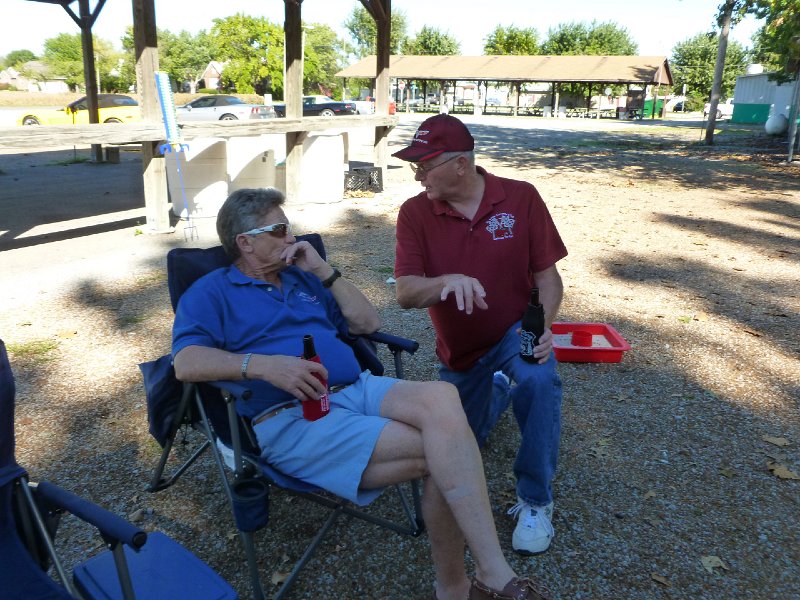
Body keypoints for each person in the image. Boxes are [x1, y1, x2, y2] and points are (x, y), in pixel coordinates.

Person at [172, 188, 550, 600]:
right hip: (294, 415)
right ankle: (460, 587)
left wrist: (324, 272)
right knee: (445, 452)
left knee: (444, 397)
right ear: (244, 242)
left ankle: (487, 575)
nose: (290, 237)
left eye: (289, 227)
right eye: (279, 229)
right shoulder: (211, 292)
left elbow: (368, 322)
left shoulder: (303, 277)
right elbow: (185, 362)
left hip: (356, 389)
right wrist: (259, 364)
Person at [392, 114, 568, 556]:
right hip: (460, 352)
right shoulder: (415, 212)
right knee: (460, 439)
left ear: (460, 165)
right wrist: (447, 281)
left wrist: (542, 327)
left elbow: (549, 278)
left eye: (424, 165)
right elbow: (406, 293)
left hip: (515, 330)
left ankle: (534, 500)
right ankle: (493, 391)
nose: (417, 175)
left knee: (539, 380)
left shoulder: (522, 197)